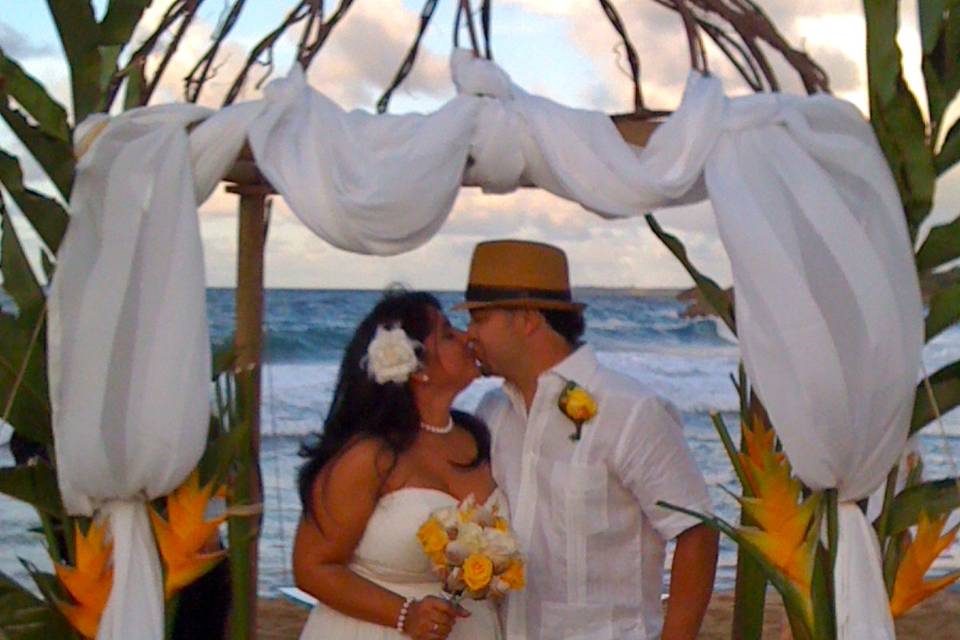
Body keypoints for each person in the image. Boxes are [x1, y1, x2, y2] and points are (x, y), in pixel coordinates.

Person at [460, 240, 719, 640]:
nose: (469, 335)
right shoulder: (492, 411)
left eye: (480, 319)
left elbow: (696, 531)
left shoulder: (630, 411)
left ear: (527, 319)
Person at [294, 290, 504, 640]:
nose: (468, 336)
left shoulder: (480, 434)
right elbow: (311, 566)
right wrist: (405, 614)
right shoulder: (369, 456)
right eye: (448, 334)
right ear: (417, 368)